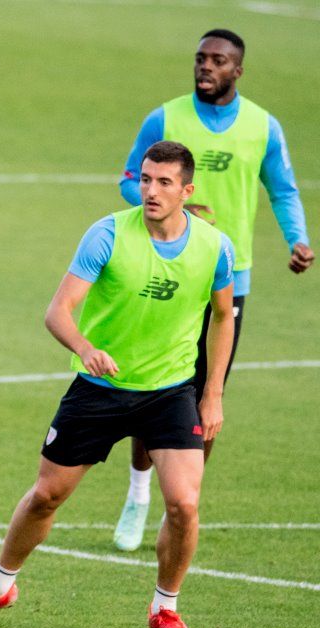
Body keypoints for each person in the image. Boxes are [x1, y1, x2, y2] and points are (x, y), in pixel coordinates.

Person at [0, 142, 234, 628]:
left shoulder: (214, 247)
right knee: (46, 496)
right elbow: (58, 311)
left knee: (184, 504)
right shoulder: (108, 234)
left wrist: (213, 394)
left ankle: (165, 609)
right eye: (146, 179)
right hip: (98, 389)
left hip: (169, 391)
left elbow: (223, 317)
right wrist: (85, 347)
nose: (151, 191)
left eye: (164, 182)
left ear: (187, 190)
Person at [110, 28, 313, 552]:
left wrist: (298, 239)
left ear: (237, 70)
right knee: (154, 386)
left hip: (229, 275)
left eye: (218, 60)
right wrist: (175, 208)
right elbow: (130, 179)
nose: (206, 66)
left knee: (208, 393)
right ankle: (138, 494)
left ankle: (180, 505)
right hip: (169, 268)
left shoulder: (263, 126)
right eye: (201, 58)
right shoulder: (165, 118)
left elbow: (283, 189)